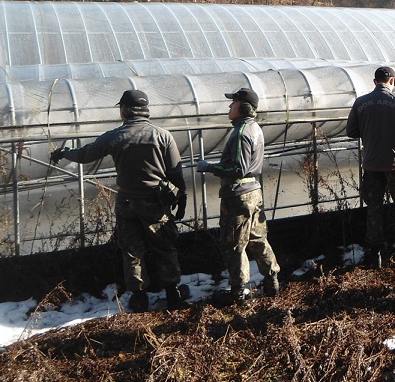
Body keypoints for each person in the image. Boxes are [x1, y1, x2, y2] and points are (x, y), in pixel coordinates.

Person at [50, 90, 189, 312]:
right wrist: (181, 197)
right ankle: (172, 293)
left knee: (132, 249)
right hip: (155, 201)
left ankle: (139, 296)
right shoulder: (163, 136)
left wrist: (65, 152)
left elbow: (86, 154)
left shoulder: (115, 136)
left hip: (127, 202)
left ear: (124, 110)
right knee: (164, 246)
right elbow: (175, 172)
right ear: (146, 110)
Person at [196, 87, 280, 305]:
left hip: (239, 195)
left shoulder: (241, 133)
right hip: (253, 192)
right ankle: (272, 281)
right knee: (258, 238)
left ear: (243, 107)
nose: (229, 107)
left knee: (235, 244)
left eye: (233, 103)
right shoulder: (255, 129)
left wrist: (209, 167)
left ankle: (238, 292)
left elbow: (237, 169)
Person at [346, 66, 395, 269]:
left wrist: (370, 132)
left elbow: (351, 131)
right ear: (392, 81)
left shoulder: (360, 102)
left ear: (375, 81)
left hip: (372, 163)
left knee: (374, 208)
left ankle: (375, 255)